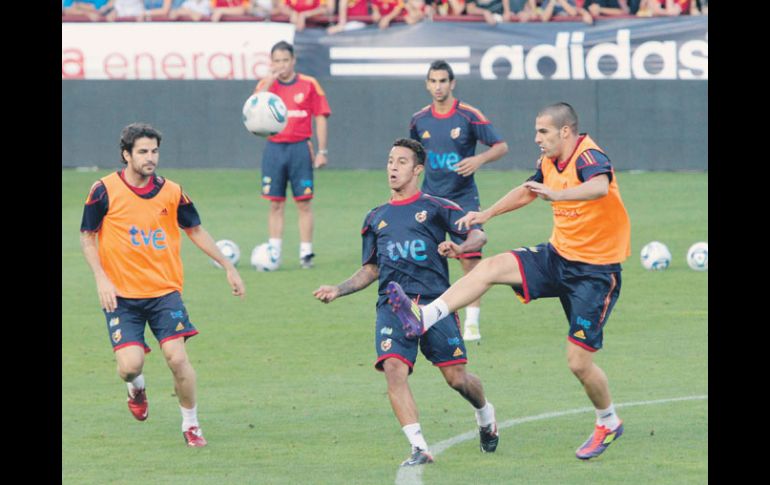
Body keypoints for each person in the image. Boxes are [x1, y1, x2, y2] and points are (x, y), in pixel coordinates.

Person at [387, 102, 631, 461]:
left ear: (565, 131)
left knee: (578, 363)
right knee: (488, 268)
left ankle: (608, 421)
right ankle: (427, 315)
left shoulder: (588, 154)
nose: (537, 139)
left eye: (543, 132)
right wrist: (485, 214)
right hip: (558, 257)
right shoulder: (549, 161)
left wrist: (560, 194)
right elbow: (529, 189)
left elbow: (598, 186)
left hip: (595, 272)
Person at [313, 138, 499, 466]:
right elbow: (371, 268)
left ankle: (485, 414)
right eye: (389, 161)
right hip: (393, 306)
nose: (393, 168)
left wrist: (460, 248)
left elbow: (478, 234)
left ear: (417, 170)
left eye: (401, 162)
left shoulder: (437, 207)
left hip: (435, 304)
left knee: (457, 379)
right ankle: (418, 447)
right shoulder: (375, 218)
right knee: (393, 369)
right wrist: (338, 289)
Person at [80, 123, 246, 447]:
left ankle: (191, 424)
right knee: (129, 366)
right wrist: (101, 277)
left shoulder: (172, 191)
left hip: (164, 293)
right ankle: (136, 387)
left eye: (154, 151)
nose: (150, 157)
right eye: (142, 151)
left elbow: (195, 229)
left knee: (177, 358)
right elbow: (87, 236)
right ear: (126, 154)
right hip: (121, 296)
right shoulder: (103, 190)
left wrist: (228, 265)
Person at [409, 60, 508, 342]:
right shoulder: (419, 120)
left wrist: (479, 159)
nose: (438, 86)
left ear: (452, 84)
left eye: (443, 81)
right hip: (431, 198)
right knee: (424, 258)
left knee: (470, 255)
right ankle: (425, 315)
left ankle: (472, 322)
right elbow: (414, 156)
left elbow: (501, 146)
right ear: (427, 84)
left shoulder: (468, 115)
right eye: (433, 81)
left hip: (463, 197)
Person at [254, 41, 331, 270]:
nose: (281, 65)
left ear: (293, 61)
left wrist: (322, 151)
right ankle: (273, 253)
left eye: (285, 60)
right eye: (276, 61)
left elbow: (321, 115)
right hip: (274, 149)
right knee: (275, 204)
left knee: (304, 203)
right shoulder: (266, 85)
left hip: (300, 148)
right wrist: (269, 80)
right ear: (271, 62)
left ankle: (306, 252)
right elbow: (254, 107)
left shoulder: (309, 84)